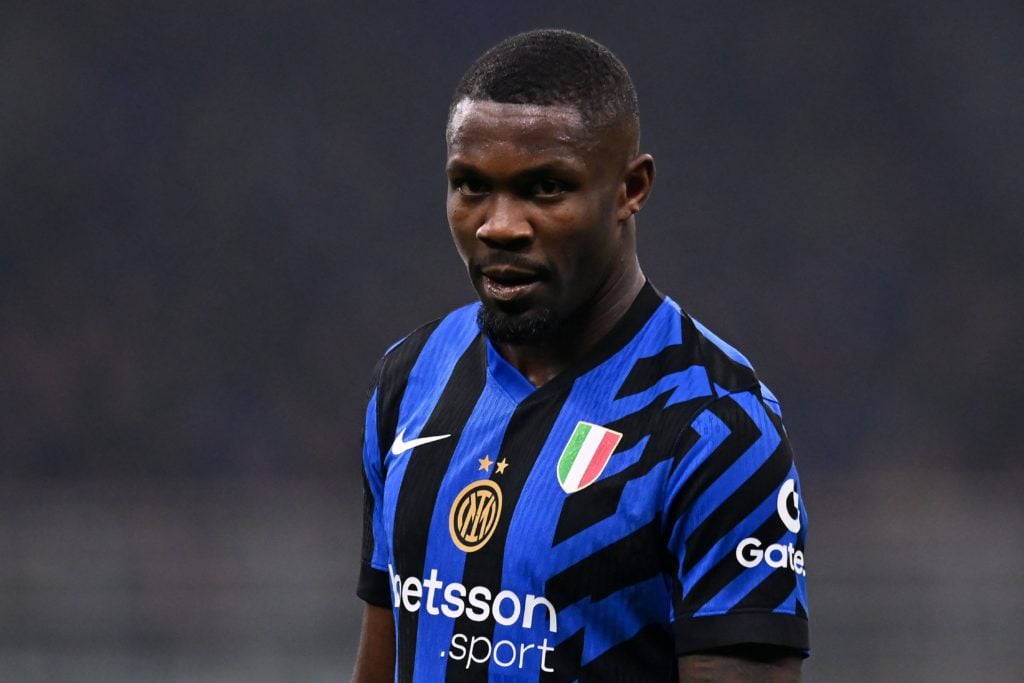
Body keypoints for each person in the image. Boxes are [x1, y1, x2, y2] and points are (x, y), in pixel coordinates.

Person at [353, 29, 809, 682]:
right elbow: (385, 660)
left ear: (631, 188)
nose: (499, 224)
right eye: (470, 185)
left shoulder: (716, 428)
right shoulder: (411, 378)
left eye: (545, 188)